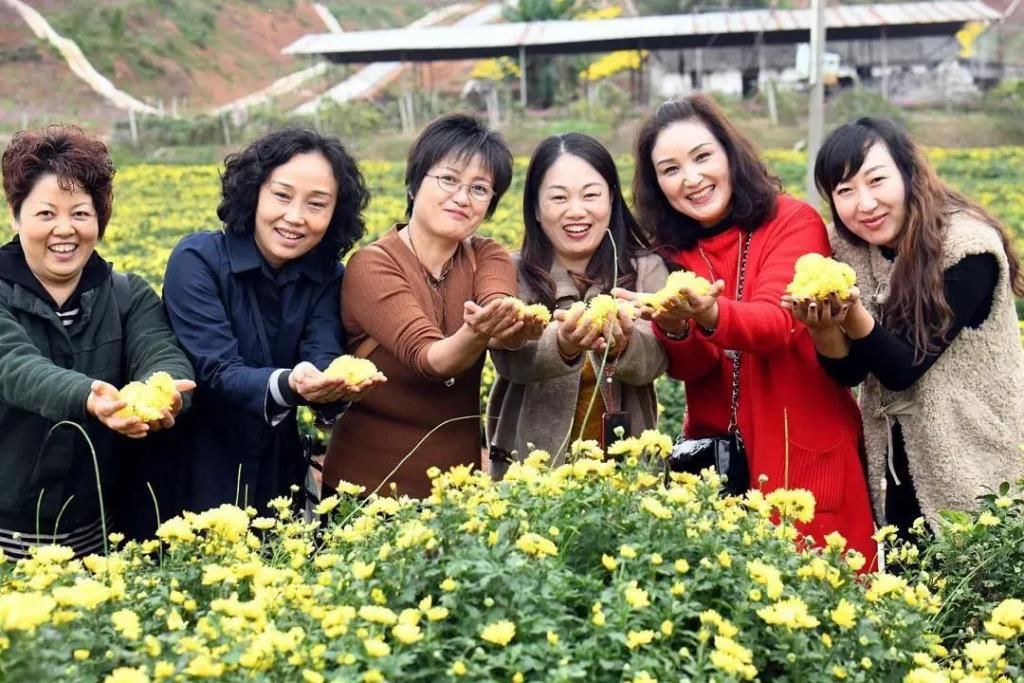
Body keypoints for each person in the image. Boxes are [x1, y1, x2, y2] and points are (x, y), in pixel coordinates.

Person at [620, 96, 876, 562]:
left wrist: (709, 314)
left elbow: (779, 323)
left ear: (729, 153)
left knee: (835, 604)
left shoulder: (792, 220)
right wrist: (676, 329)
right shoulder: (668, 251)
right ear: (656, 184)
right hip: (718, 459)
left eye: (702, 156)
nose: (692, 179)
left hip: (803, 451)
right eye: (670, 169)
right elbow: (695, 368)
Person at [786, 117, 1024, 537]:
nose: (865, 204)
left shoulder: (967, 249)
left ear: (909, 173)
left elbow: (902, 367)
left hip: (973, 461)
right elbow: (854, 370)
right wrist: (822, 329)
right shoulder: (851, 248)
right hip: (898, 461)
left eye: (877, 180)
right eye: (845, 191)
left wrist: (853, 311)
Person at [0, 125, 194, 558]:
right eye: (46, 213)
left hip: (99, 534)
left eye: (81, 214)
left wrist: (166, 391)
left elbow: (160, 351)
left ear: (100, 220)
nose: (64, 229)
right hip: (6, 536)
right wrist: (90, 397)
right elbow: (14, 366)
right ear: (16, 215)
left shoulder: (127, 294)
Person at [163, 128, 381, 513]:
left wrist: (333, 386)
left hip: (278, 473)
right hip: (195, 469)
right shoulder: (198, 259)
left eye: (317, 204)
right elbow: (214, 370)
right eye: (281, 196)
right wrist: (291, 383)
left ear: (335, 213)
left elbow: (321, 352)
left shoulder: (328, 275)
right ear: (254, 192)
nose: (295, 218)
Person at [324, 114, 527, 498]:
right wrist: (481, 329)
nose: (462, 197)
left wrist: (509, 324)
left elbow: (500, 307)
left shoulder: (487, 256)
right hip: (366, 492)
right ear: (415, 183)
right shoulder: (372, 265)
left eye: (480, 188)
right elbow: (430, 359)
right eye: (449, 179)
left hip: (457, 494)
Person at [486, 133, 668, 472]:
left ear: (611, 200)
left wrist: (622, 345)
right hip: (530, 467)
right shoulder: (510, 270)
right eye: (558, 197)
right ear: (536, 210)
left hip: (627, 470)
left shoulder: (645, 269)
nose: (576, 211)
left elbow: (655, 360)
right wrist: (563, 344)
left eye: (591, 195)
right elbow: (510, 359)